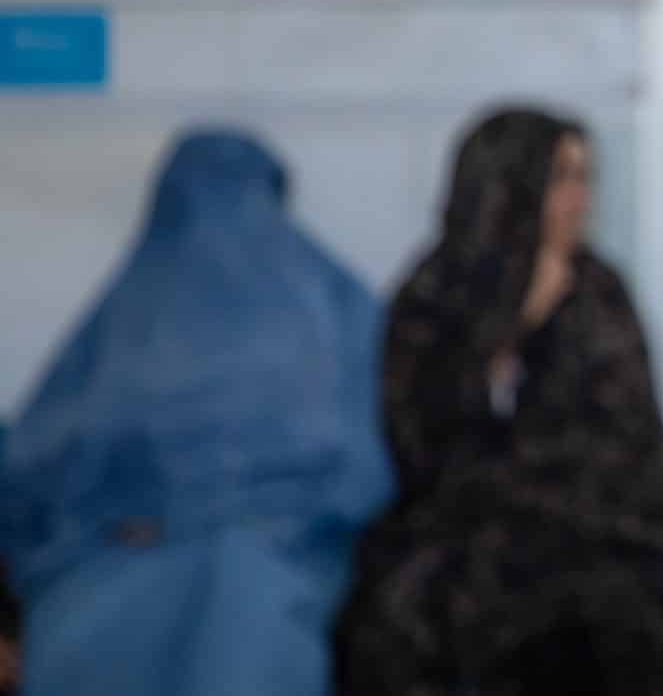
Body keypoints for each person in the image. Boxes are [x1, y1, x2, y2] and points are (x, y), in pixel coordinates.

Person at [338, 108, 663, 696]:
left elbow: (622, 439)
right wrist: (510, 327)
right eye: (560, 177)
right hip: (467, 526)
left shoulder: (597, 291)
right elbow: (421, 441)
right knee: (403, 610)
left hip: (602, 526)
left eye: (585, 178)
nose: (578, 198)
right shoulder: (435, 295)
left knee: (625, 611)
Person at [0, 130, 392, 696]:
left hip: (103, 591)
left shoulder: (123, 317)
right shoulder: (326, 300)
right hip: (262, 594)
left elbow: (30, 475)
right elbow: (369, 469)